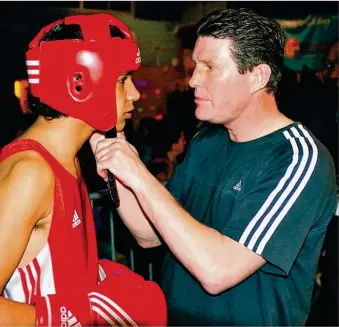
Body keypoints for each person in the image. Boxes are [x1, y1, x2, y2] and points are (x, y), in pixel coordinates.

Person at [91, 8, 337, 326]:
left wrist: (139, 173)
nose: (193, 79)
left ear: (258, 77)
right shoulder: (207, 140)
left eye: (210, 67)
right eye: (196, 65)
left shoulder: (297, 160)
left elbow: (217, 271)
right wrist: (114, 154)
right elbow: (150, 234)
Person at [0, 14, 166, 326]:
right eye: (121, 81)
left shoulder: (69, 157)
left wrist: (94, 277)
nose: (135, 94)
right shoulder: (29, 173)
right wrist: (79, 316)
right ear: (79, 85)